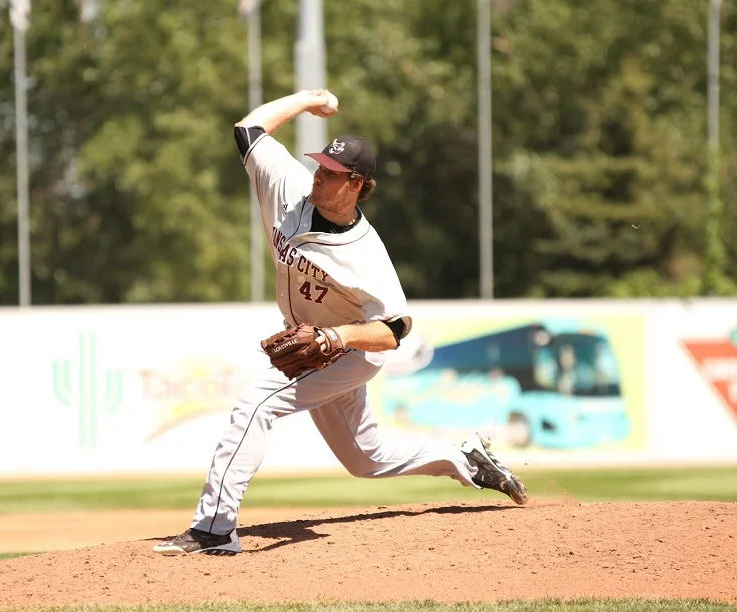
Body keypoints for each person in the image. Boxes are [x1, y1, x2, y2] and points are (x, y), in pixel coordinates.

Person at [152, 89, 529, 556]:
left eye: (331, 173)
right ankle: (465, 459)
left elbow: (393, 331)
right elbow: (247, 130)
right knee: (364, 459)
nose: (319, 176)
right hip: (311, 343)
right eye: (320, 166)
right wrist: (306, 99)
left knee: (255, 403)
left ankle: (214, 528)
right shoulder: (288, 187)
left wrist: (335, 337)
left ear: (355, 184)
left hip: (350, 351)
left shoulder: (366, 255)